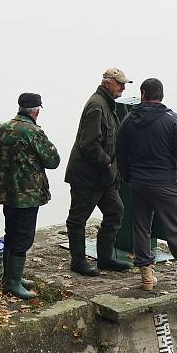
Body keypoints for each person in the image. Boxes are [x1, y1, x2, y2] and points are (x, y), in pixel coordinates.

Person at [116, 78, 177, 292]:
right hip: (165, 182)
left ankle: (147, 277)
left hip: (138, 183)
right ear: (161, 95)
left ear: (142, 94)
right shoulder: (173, 120)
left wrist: (129, 177)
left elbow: (120, 153)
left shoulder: (129, 120)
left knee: (141, 227)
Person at [65, 68, 134, 276]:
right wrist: (107, 164)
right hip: (87, 176)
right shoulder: (97, 106)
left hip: (104, 177)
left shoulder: (107, 104)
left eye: (124, 84)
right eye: (119, 83)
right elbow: (88, 144)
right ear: (107, 83)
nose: (122, 87)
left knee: (115, 212)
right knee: (78, 219)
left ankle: (105, 258)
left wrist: (113, 169)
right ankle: (78, 261)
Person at [0, 93, 60, 299]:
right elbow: (53, 160)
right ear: (37, 110)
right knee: (23, 238)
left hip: (8, 192)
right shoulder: (33, 132)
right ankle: (13, 283)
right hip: (27, 195)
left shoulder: (3, 129)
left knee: (11, 233)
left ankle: (11, 277)